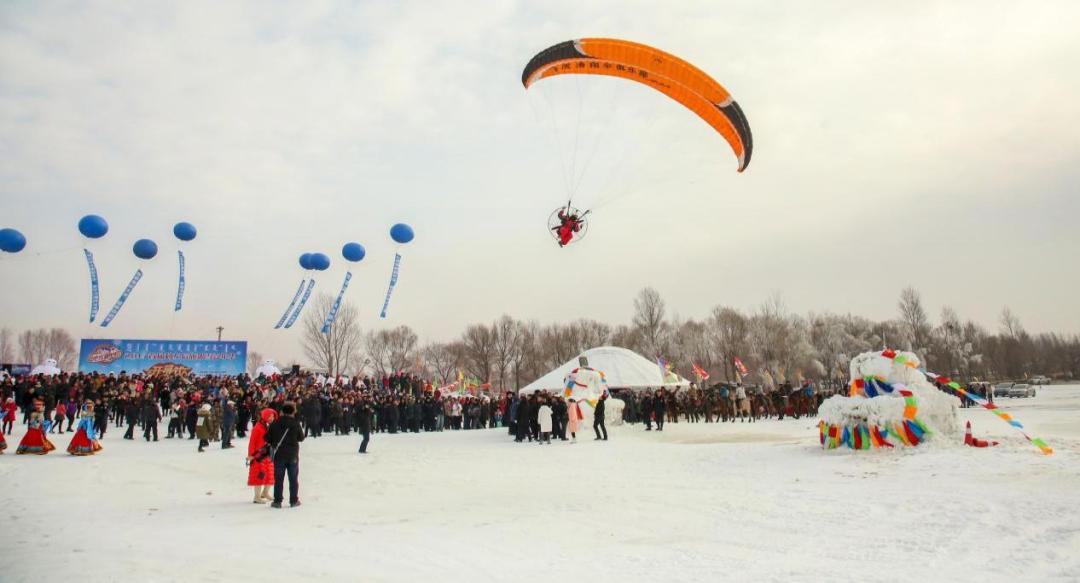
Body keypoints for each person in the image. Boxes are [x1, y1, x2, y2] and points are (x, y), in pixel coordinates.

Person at [265, 402, 305, 508]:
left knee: (278, 479)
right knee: (293, 479)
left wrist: (274, 441)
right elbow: (301, 438)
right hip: (292, 454)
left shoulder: (275, 423)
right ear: (293, 412)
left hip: (279, 454)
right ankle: (293, 500)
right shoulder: (295, 423)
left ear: (282, 411)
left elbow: (267, 438)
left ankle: (277, 501)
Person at [246, 408, 276, 504]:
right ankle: (257, 496)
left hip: (268, 454)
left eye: (273, 416)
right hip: (259, 456)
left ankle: (265, 492)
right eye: (271, 416)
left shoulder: (270, 426)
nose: (272, 418)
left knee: (270, 474)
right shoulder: (258, 427)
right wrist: (250, 454)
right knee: (259, 476)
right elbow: (252, 442)